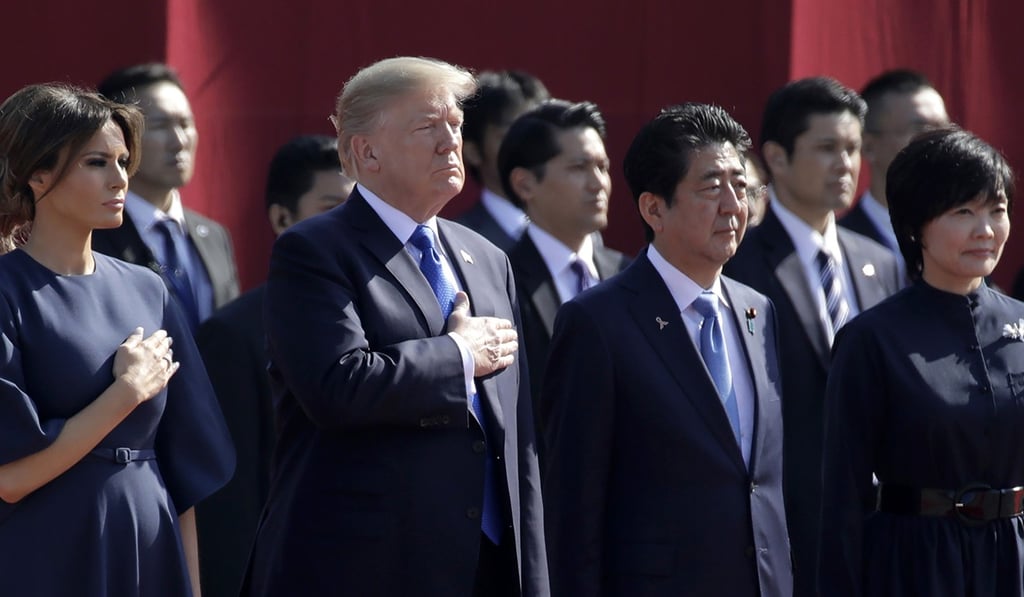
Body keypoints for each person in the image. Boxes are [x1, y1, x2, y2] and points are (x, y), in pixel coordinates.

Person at [241, 57, 548, 597]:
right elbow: (337, 386)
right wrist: (457, 356)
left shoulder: (488, 257)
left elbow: (516, 437)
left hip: (488, 566)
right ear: (367, 151)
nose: (449, 141)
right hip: (366, 566)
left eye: (455, 125)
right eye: (428, 127)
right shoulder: (314, 251)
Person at [543, 102, 792, 596]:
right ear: (654, 208)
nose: (732, 206)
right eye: (710, 187)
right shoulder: (598, 322)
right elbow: (573, 507)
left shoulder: (757, 310)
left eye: (740, 186)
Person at [0, 84, 234, 596]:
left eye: (123, 160)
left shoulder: (148, 288)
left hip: (149, 545)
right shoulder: (6, 291)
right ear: (37, 173)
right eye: (96, 163)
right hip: (45, 555)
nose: (120, 178)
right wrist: (127, 392)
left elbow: (185, 467)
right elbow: (10, 477)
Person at [818, 127, 1022, 595]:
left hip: (1014, 559)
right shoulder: (871, 341)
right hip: (915, 565)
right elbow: (842, 502)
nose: (986, 230)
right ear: (915, 226)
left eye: (998, 210)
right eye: (963, 212)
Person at [723, 76, 901, 596]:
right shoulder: (740, 263)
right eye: (827, 148)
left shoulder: (880, 262)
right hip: (786, 522)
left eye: (852, 149)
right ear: (776, 158)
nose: (845, 165)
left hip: (877, 524)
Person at [195, 134, 353, 597]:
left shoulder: (396, 317)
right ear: (283, 218)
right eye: (332, 207)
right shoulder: (233, 334)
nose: (351, 225)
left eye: (360, 209)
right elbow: (230, 497)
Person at [498, 99, 630, 432]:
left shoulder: (630, 273)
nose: (598, 183)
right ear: (525, 184)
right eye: (579, 167)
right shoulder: (499, 279)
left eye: (602, 166)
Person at [93, 63, 240, 331]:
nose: (179, 140)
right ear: (119, 136)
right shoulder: (92, 235)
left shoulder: (215, 236)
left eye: (186, 123)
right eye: (160, 125)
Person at [840, 69, 949, 282]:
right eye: (921, 129)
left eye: (944, 129)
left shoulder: (965, 236)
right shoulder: (835, 247)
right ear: (868, 146)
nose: (939, 142)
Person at [457, 69, 550, 251]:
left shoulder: (574, 228)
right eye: (514, 134)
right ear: (473, 152)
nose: (531, 147)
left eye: (539, 135)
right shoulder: (459, 244)